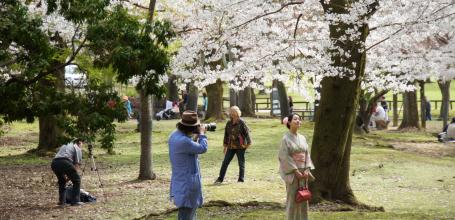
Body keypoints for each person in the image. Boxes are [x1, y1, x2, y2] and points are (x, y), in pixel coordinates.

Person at [168, 110, 208, 220]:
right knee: (187, 216)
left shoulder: (174, 135)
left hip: (180, 182)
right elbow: (202, 148)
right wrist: (202, 134)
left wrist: (196, 136)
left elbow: (189, 147)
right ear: (191, 128)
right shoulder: (184, 141)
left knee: (186, 215)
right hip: (187, 186)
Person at [278, 113, 315, 220]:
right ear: (289, 122)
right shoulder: (285, 139)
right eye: (295, 119)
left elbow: (307, 154)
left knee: (304, 198)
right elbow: (283, 156)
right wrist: (295, 170)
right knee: (293, 198)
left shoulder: (302, 138)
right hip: (293, 173)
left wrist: (307, 168)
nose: (298, 121)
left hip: (304, 172)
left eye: (299, 119)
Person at [215, 106, 251, 184]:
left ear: (237, 113)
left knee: (241, 163)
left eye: (233, 112)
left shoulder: (241, 122)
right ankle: (220, 178)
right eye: (230, 112)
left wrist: (248, 145)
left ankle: (241, 179)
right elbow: (226, 135)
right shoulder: (228, 123)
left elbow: (247, 134)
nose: (231, 114)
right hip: (231, 146)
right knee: (225, 162)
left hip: (240, 146)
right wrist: (225, 147)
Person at [51, 138, 84, 206]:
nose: (82, 146)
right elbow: (76, 166)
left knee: (62, 181)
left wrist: (67, 178)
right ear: (79, 142)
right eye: (82, 144)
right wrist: (69, 178)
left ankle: (62, 202)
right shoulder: (77, 148)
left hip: (54, 163)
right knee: (77, 180)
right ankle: (75, 201)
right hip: (65, 162)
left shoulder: (65, 144)